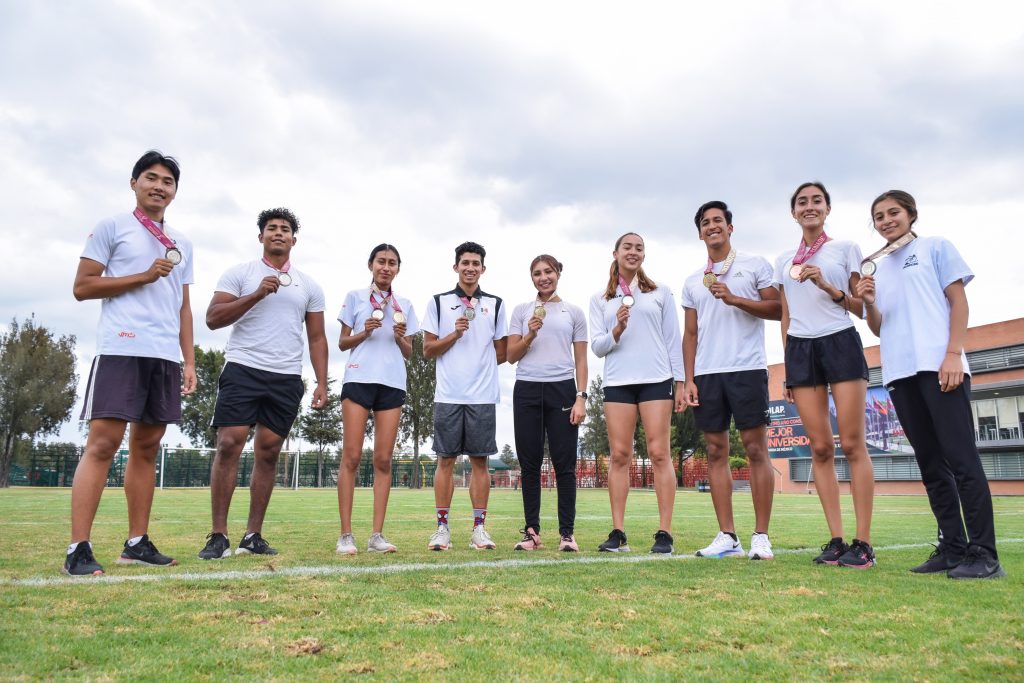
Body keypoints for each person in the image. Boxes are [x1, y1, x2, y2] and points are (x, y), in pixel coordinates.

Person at [856, 190, 1005, 579]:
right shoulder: (876, 267)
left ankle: (984, 555)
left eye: (893, 212)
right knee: (930, 465)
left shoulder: (935, 246)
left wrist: (953, 353)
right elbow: (878, 326)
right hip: (899, 373)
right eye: (878, 216)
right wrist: (868, 302)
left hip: (940, 366)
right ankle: (952, 549)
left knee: (962, 459)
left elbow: (958, 302)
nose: (886, 220)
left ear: (911, 214)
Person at [66, 150, 197, 576]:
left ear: (175, 191)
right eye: (151, 178)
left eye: (168, 181)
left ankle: (136, 543)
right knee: (103, 444)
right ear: (134, 183)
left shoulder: (182, 243)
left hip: (164, 355)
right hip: (121, 348)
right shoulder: (112, 227)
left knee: (146, 448)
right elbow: (83, 287)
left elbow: (183, 307)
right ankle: (78, 548)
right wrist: (142, 275)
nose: (159, 186)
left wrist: (189, 360)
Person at [199, 208, 328, 559]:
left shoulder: (309, 285)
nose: (278, 233)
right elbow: (213, 318)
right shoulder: (240, 273)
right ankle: (218, 536)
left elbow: (317, 337)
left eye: (285, 229)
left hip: (285, 377)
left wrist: (321, 382)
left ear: (294, 240)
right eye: (272, 228)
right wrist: (256, 294)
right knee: (229, 443)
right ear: (261, 237)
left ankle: (252, 536)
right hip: (243, 368)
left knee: (269, 452)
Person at [775, 182, 875, 569]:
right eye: (802, 202)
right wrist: (787, 365)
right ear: (793, 212)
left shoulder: (845, 248)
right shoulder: (784, 260)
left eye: (817, 200)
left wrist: (825, 285)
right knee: (819, 448)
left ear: (827, 209)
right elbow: (786, 314)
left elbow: (860, 308)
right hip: (801, 350)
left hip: (840, 341)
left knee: (852, 444)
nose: (809, 206)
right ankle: (836, 539)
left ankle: (863, 543)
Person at [681, 201, 781, 560]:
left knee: (755, 449)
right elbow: (690, 334)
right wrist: (688, 379)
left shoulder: (755, 265)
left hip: (747, 368)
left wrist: (736, 299)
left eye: (717, 221)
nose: (712, 226)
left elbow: (778, 309)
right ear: (700, 233)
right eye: (705, 223)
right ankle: (727, 535)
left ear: (730, 227)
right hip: (707, 374)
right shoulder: (692, 280)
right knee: (715, 451)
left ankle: (761, 536)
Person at [590, 232, 685, 554]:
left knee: (659, 453)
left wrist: (680, 382)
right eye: (627, 247)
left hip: (656, 379)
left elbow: (672, 339)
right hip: (618, 382)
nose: (633, 252)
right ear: (615, 253)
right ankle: (618, 533)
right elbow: (598, 347)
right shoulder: (600, 299)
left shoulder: (660, 292)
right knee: (619, 456)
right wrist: (616, 330)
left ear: (644, 255)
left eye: (639, 248)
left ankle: (665, 533)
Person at [422, 242, 508, 551]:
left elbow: (501, 353)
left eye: (475, 263)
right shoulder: (438, 302)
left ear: (483, 268)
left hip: (482, 396)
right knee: (445, 460)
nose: (470, 268)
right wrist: (455, 335)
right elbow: (428, 350)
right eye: (465, 263)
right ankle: (442, 528)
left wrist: (478, 366)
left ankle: (479, 529)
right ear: (456, 267)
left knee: (480, 462)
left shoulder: (495, 304)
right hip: (448, 395)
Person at [335, 244, 419, 555]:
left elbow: (410, 352)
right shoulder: (355, 297)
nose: (386, 267)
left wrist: (399, 337)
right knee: (351, 456)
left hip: (392, 382)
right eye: (381, 261)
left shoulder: (404, 304)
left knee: (383, 460)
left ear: (398, 268)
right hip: (359, 378)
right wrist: (364, 332)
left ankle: (376, 536)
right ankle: (346, 535)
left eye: (392, 263)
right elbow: (342, 343)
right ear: (370, 264)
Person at [507, 255, 588, 552]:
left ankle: (567, 534)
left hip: (562, 390)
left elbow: (582, 360)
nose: (543, 277)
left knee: (564, 465)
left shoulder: (573, 312)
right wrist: (530, 333)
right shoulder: (521, 311)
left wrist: (581, 397)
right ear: (532, 278)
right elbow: (511, 355)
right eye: (537, 273)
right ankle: (532, 533)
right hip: (527, 389)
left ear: (558, 273)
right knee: (529, 465)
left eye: (548, 272)